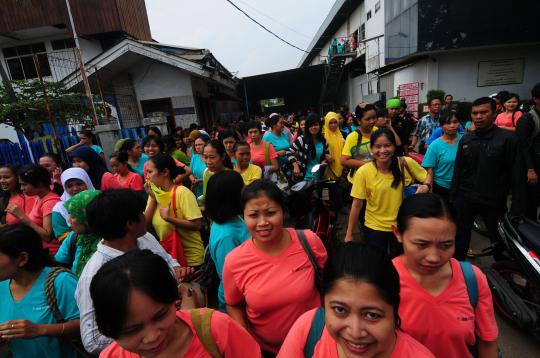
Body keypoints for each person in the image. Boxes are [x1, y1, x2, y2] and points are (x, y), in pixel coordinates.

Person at [76, 189, 187, 355]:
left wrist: (178, 271)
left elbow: (169, 262)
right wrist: (133, 331)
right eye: (141, 213)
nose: (145, 216)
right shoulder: (92, 275)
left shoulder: (144, 238)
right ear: (130, 223)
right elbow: (92, 340)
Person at [90, 250, 261, 357]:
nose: (152, 337)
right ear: (108, 329)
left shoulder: (216, 329)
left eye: (160, 316)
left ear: (175, 300)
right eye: (132, 330)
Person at [223, 180, 327, 355]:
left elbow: (330, 285)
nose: (263, 222)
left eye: (270, 213)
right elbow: (233, 304)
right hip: (267, 351)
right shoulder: (235, 261)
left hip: (316, 345)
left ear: (283, 212)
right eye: (254, 215)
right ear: (243, 217)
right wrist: (245, 340)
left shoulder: (309, 241)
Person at [278, 242, 434, 358]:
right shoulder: (309, 329)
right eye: (340, 310)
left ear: (394, 309)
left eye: (372, 315)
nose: (355, 332)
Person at [393, 193, 499, 357]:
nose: (434, 257)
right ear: (398, 233)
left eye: (446, 245)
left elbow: (488, 341)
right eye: (422, 244)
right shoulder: (382, 280)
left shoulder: (473, 279)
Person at [450, 97, 524, 260]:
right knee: (459, 240)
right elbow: (458, 170)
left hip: (493, 201)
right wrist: (454, 198)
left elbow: (517, 176)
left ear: (494, 113)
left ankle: (504, 276)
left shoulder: (507, 139)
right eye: (475, 113)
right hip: (465, 198)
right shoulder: (466, 139)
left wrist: (517, 209)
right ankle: (458, 272)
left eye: (484, 112)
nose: (478, 116)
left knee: (500, 242)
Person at [0, 224, 80, 358]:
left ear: (22, 258)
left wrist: (40, 330)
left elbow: (88, 325)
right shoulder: (2, 285)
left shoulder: (60, 282)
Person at [345, 128, 430, 249]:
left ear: (394, 146)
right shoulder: (363, 172)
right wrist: (349, 234)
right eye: (377, 146)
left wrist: (426, 186)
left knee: (399, 265)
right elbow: (357, 204)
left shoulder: (405, 163)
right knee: (378, 264)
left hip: (403, 226)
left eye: (387, 145)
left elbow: (427, 176)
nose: (383, 150)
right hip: (374, 228)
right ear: (371, 148)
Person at [145, 154, 205, 267]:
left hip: (191, 261)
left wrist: (169, 218)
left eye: (150, 172)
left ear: (165, 172)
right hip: (172, 259)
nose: (147, 177)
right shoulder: (153, 194)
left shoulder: (182, 192)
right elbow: (145, 225)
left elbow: (197, 225)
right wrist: (153, 198)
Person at [205, 171, 251, 310]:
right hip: (237, 301)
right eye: (242, 187)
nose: (246, 188)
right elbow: (231, 276)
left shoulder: (234, 218)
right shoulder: (227, 236)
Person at [7, 165, 61, 255]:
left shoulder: (50, 203)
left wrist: (22, 217)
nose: (21, 188)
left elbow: (47, 237)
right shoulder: (38, 197)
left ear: (39, 183)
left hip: (53, 254)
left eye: (24, 184)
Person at [54, 190, 102, 276]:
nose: (69, 221)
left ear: (87, 216)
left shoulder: (109, 241)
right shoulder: (74, 237)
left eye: (73, 216)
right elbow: (58, 264)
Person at [422, 110, 462, 201]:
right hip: (441, 188)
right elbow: (430, 171)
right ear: (441, 126)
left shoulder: (465, 141)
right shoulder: (434, 146)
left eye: (455, 122)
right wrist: (428, 188)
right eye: (448, 123)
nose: (452, 126)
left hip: (462, 187)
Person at [516, 83, 540, 221]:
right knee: (531, 200)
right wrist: (530, 169)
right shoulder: (527, 119)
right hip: (533, 166)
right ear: (536, 99)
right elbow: (523, 146)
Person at [51, 168, 94, 242]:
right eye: (69, 186)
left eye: (79, 184)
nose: (75, 189)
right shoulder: (59, 208)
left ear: (87, 182)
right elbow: (62, 237)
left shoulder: (100, 199)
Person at [341, 104, 378, 184]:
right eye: (368, 119)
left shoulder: (377, 131)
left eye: (374, 117)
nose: (372, 121)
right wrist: (368, 165)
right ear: (358, 121)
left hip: (376, 180)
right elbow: (344, 161)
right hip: (358, 182)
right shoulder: (352, 137)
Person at [288, 114, 330, 181]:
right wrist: (295, 166)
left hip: (319, 177)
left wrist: (324, 161)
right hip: (304, 177)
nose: (313, 127)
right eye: (311, 125)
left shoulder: (323, 141)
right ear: (307, 127)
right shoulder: (301, 139)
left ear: (320, 126)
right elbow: (289, 151)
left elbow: (325, 155)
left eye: (316, 125)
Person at [323, 112, 345, 180]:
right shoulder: (323, 137)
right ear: (326, 123)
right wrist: (325, 155)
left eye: (335, 122)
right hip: (329, 169)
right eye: (330, 123)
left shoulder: (342, 135)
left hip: (343, 168)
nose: (333, 125)